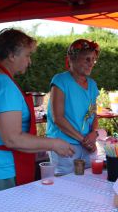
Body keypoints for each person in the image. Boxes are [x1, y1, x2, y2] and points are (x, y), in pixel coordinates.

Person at [0, 28, 74, 197]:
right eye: (27, 55)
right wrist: (54, 143)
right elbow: (12, 138)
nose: (29, 61)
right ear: (12, 55)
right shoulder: (4, 85)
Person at [46, 39, 100, 175]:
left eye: (93, 59)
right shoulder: (60, 80)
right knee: (64, 187)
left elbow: (93, 113)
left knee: (87, 184)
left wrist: (94, 132)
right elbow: (58, 118)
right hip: (65, 146)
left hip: (86, 145)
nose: (91, 63)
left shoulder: (92, 84)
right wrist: (83, 140)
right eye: (87, 59)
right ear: (72, 59)